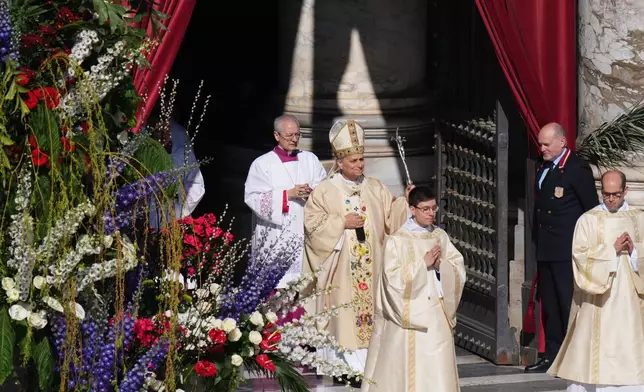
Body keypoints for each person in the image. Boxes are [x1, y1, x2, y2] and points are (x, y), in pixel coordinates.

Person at [302, 119, 414, 384]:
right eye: (354, 161)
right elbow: (312, 226)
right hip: (341, 273)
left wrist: (406, 203)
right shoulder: (326, 191)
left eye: (362, 159)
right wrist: (341, 223)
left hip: (372, 272)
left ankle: (369, 368)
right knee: (344, 322)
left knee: (371, 321)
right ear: (339, 162)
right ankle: (344, 369)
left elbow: (391, 220)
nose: (360, 165)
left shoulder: (375, 187)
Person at [548, 170, 644, 391]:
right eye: (606, 194)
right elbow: (579, 257)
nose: (610, 199)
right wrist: (611, 252)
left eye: (616, 194)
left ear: (625, 191)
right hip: (598, 303)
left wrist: (634, 251)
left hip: (631, 301)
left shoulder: (639, 218)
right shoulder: (588, 220)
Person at [362, 187, 465, 392]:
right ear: (412, 209)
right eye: (425, 209)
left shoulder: (439, 236)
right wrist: (422, 264)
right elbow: (391, 279)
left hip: (436, 311)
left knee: (437, 361)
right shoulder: (397, 240)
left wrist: (439, 266)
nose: (431, 213)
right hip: (407, 316)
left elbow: (457, 267)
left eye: (434, 208)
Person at [526, 123, 599, 373]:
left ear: (562, 143)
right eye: (540, 143)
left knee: (569, 303)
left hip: (567, 249)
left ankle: (576, 358)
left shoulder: (576, 169)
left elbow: (591, 209)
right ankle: (552, 356)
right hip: (546, 248)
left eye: (546, 144)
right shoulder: (543, 166)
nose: (542, 148)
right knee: (551, 306)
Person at [244, 114, 327, 288]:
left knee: (303, 287)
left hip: (305, 232)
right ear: (276, 136)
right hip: (275, 235)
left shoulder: (309, 159)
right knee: (277, 290)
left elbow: (324, 188)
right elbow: (253, 198)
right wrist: (288, 194)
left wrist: (311, 193)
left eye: (298, 135)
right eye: (290, 136)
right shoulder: (262, 164)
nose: (295, 139)